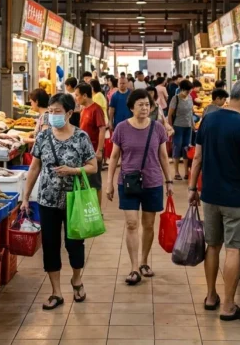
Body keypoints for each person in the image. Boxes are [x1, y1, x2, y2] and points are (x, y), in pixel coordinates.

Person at [188, 80, 240, 322]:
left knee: (213, 245)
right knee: (233, 249)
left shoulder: (209, 118)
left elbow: (197, 157)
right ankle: (229, 306)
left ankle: (211, 296)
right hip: (235, 199)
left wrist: (192, 187)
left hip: (210, 195)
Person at [21, 94, 98, 310]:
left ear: (69, 113)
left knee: (74, 244)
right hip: (47, 200)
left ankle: (76, 279)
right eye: (51, 111)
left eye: (57, 111)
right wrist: (26, 197)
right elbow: (34, 167)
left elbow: (93, 165)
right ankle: (56, 292)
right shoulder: (43, 138)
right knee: (51, 246)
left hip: (74, 200)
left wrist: (74, 170)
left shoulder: (81, 137)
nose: (53, 115)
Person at [106, 89, 172, 285]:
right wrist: (109, 182)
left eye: (147, 104)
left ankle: (144, 261)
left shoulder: (158, 128)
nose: (144, 108)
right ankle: (134, 267)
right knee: (132, 223)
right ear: (131, 107)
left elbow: (163, 156)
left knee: (149, 224)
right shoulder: (121, 128)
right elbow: (115, 157)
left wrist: (169, 181)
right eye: (140, 104)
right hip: (128, 181)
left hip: (153, 182)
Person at [75, 82, 107, 206]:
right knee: (85, 180)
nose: (76, 98)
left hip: (93, 151)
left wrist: (99, 150)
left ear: (84, 95)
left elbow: (102, 129)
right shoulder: (84, 110)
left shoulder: (96, 109)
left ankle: (97, 212)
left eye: (77, 95)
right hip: (83, 151)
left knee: (95, 182)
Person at [167, 79, 195, 180]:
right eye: (187, 91)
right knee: (177, 148)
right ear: (181, 89)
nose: (188, 92)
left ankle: (186, 172)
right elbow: (170, 115)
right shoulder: (175, 99)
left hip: (188, 127)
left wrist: (192, 124)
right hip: (177, 127)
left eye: (190, 90)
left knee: (186, 148)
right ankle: (176, 172)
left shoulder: (190, 98)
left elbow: (190, 113)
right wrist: (170, 128)